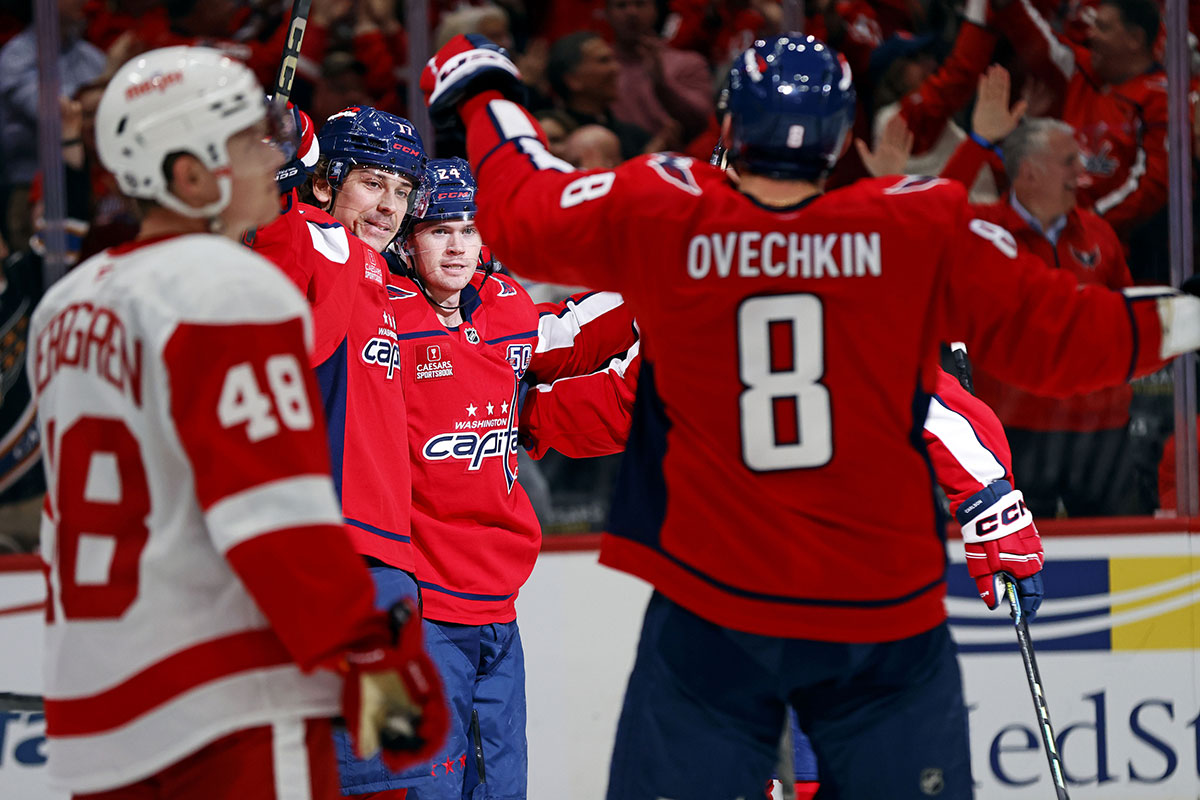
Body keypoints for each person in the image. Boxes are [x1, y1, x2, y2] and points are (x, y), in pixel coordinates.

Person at [419, 32, 1200, 798]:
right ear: (842, 136)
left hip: (715, 606)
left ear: (727, 126)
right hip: (877, 614)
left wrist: (484, 91)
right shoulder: (908, 227)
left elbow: (525, 206)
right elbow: (1071, 339)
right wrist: (999, 503)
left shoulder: (670, 214)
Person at [28, 46, 447, 800]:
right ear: (191, 177)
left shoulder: (69, 303)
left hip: (96, 693)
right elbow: (270, 509)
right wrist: (371, 657)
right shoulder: (228, 291)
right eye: (250, 151)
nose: (280, 169)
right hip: (222, 694)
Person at [374, 158, 635, 799]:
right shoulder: (377, 312)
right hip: (408, 612)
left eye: (468, 229)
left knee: (502, 789)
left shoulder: (506, 311)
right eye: (439, 229)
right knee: (406, 786)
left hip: (498, 609)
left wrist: (679, 279)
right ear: (407, 239)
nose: (458, 245)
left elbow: (578, 330)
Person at [247, 105, 431, 800]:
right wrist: (278, 172)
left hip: (386, 572)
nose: (388, 206)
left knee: (385, 772)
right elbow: (277, 260)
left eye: (401, 190)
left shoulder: (382, 277)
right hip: (328, 563)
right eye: (372, 183)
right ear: (328, 183)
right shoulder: (320, 241)